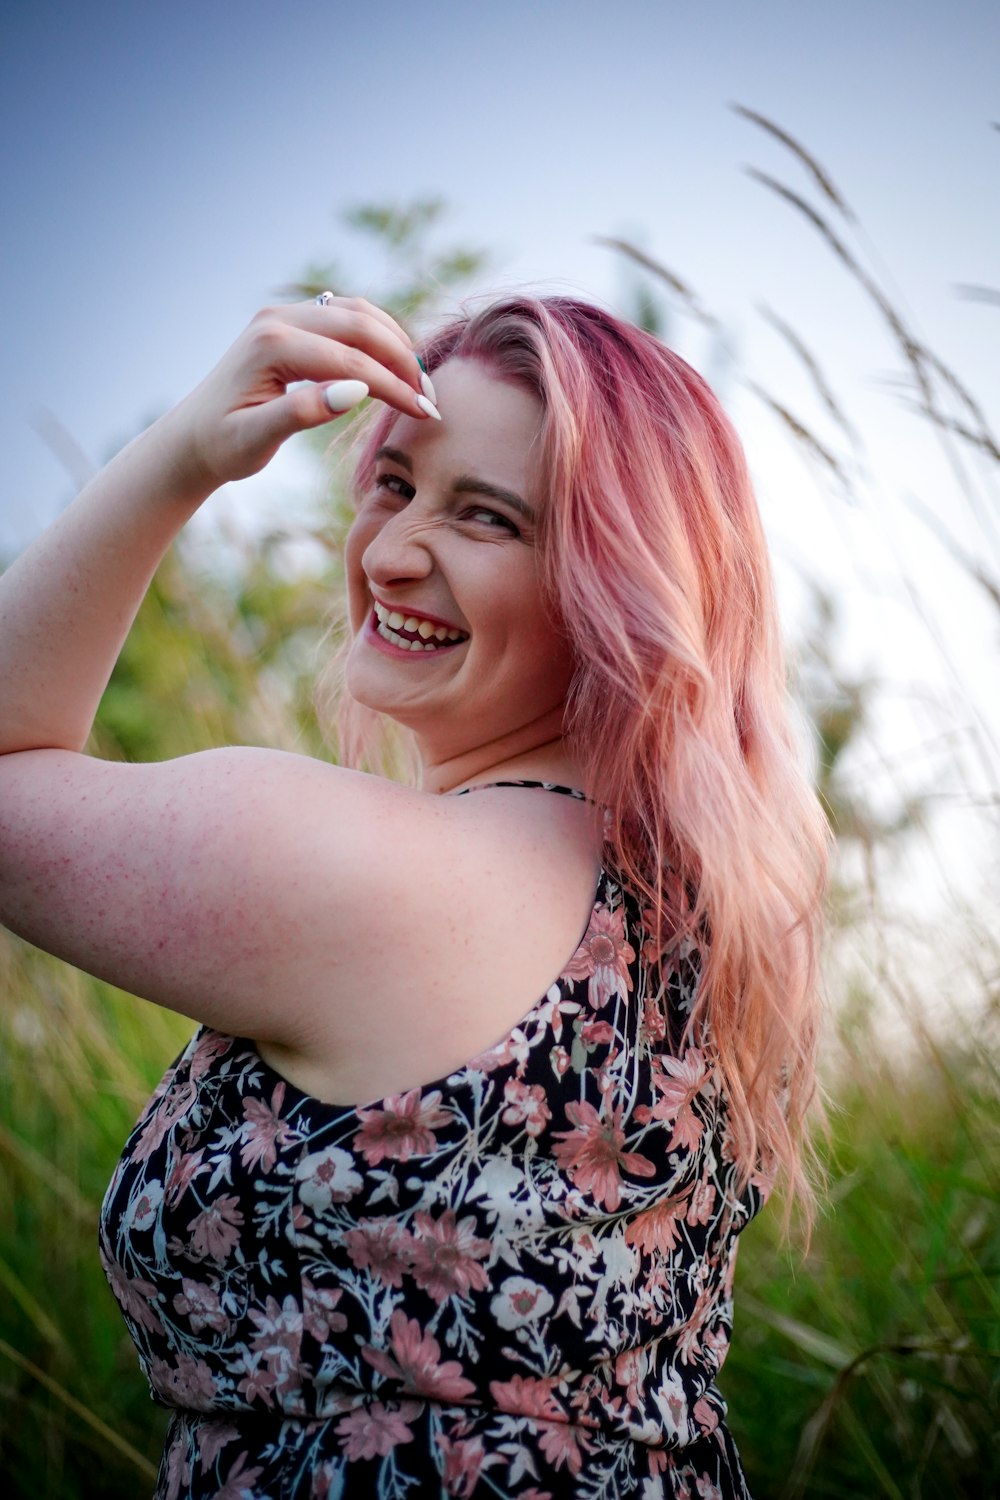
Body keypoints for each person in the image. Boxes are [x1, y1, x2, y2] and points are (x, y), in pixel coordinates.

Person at [0, 291, 829, 1498]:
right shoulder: (720, 892)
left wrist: (180, 456)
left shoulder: (365, 873)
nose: (387, 553)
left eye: (485, 516)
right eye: (390, 485)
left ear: (615, 582)